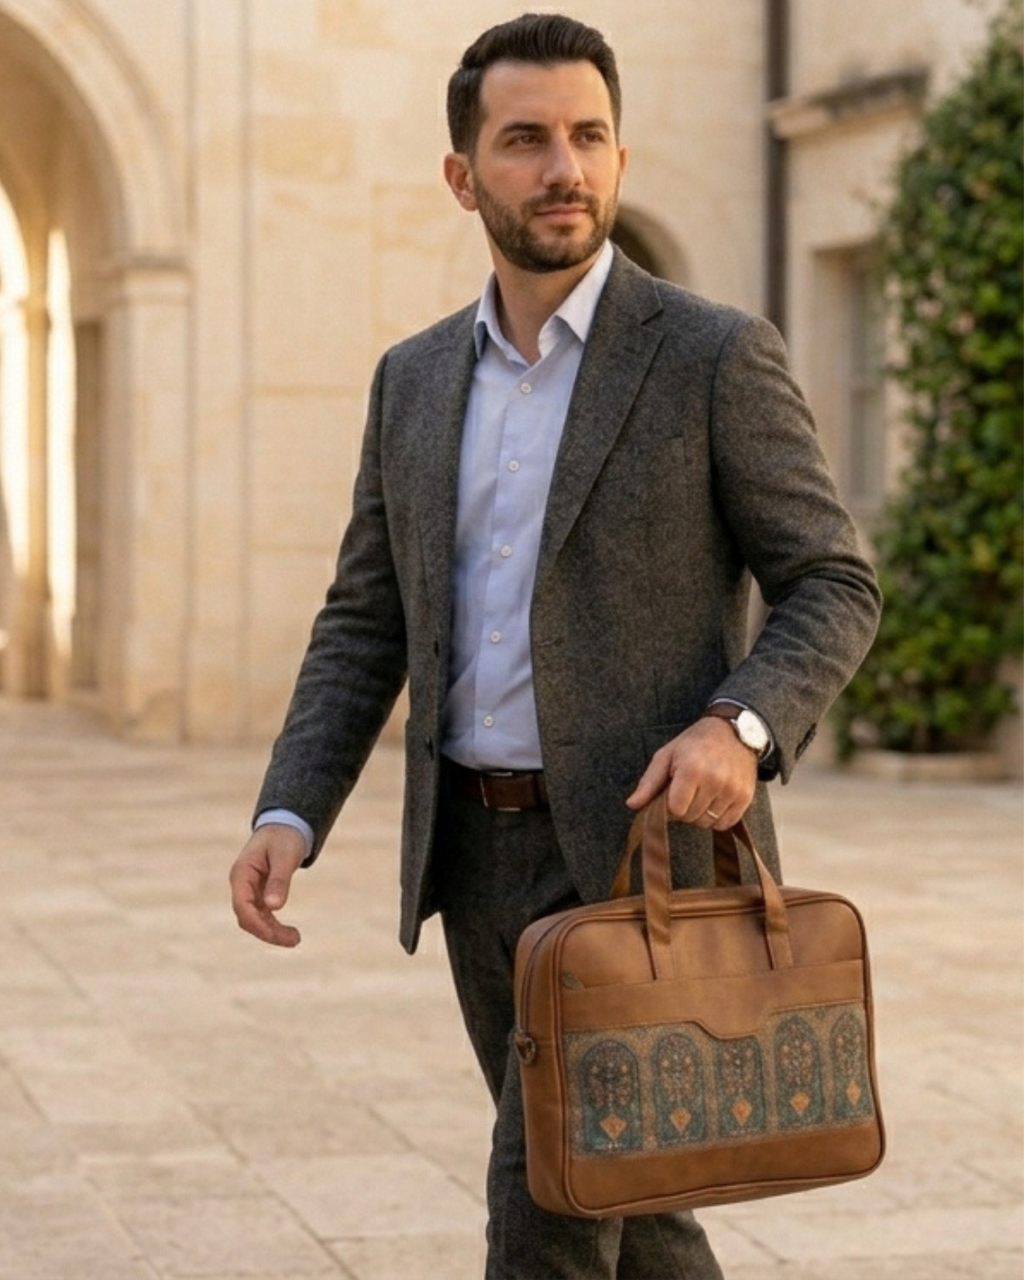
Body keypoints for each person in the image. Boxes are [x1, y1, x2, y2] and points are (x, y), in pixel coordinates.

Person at [229, 13, 881, 1278]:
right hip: (472, 855)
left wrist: (738, 725)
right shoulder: (411, 382)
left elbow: (832, 578)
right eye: (524, 141)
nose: (562, 168)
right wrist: (290, 808)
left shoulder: (709, 356)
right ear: (464, 176)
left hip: (644, 853)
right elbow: (367, 619)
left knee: (548, 1203)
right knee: (618, 1185)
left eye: (587, 137)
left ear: (621, 161)